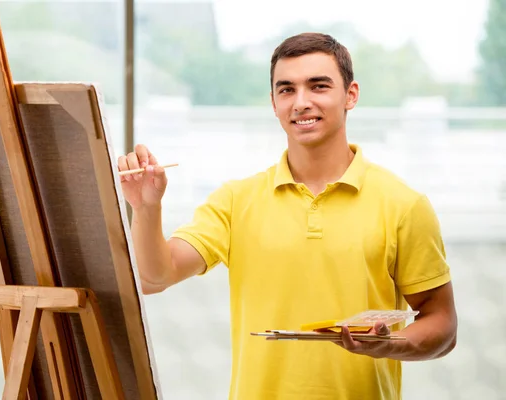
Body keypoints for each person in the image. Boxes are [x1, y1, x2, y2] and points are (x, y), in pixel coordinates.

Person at [117, 32, 458, 400]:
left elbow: (442, 324)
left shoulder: (403, 205)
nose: (301, 102)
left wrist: (388, 344)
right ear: (273, 102)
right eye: (286, 90)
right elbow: (153, 277)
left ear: (351, 95)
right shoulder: (235, 200)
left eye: (318, 86)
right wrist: (147, 207)